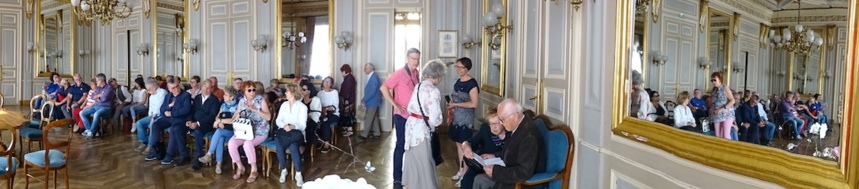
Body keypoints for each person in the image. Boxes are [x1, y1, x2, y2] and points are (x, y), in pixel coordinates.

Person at [473, 99, 545, 189]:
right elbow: (513, 151)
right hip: (510, 172)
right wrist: (494, 155)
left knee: (482, 181)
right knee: (479, 179)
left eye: (502, 119)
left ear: (514, 116)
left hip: (523, 184)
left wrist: (496, 171)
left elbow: (524, 172)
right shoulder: (517, 126)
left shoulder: (529, 136)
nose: (501, 123)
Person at [380, 48, 422, 188]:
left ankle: (409, 175)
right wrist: (395, 104)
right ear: (406, 58)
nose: (416, 61)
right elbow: (384, 88)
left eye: (417, 59)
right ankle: (397, 179)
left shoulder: (416, 73)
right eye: (413, 58)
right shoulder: (399, 73)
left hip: (414, 117)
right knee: (401, 146)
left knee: (413, 146)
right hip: (402, 117)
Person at [402, 60, 446, 189]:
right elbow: (435, 118)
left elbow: (411, 106)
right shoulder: (433, 91)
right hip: (422, 130)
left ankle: (410, 185)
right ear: (437, 76)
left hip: (411, 127)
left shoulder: (418, 86)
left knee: (412, 160)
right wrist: (440, 120)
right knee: (424, 162)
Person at [228, 81, 271, 183]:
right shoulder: (241, 101)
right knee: (231, 143)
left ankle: (254, 170)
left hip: (260, 131)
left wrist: (256, 110)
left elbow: (268, 117)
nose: (252, 92)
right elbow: (236, 115)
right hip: (245, 130)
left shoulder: (261, 100)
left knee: (248, 144)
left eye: (254, 90)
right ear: (244, 92)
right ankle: (240, 167)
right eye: (249, 90)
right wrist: (236, 117)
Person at [447, 57, 480, 180]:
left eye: (461, 67)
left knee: (465, 146)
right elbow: (455, 98)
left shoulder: (472, 83)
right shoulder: (458, 81)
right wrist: (451, 103)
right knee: (458, 145)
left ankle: (465, 175)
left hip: (466, 120)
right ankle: (461, 171)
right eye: (457, 66)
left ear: (467, 68)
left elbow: (474, 103)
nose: (458, 69)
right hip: (456, 118)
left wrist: (455, 104)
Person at [460, 107, 505, 189]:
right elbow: (471, 141)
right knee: (467, 180)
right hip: (483, 164)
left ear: (503, 122)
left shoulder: (510, 133)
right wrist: (465, 145)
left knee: (481, 181)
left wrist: (494, 155)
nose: (493, 127)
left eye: (496, 123)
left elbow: (512, 152)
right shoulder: (485, 129)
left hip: (500, 167)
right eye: (491, 123)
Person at [151, 78, 193, 166]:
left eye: (177, 86)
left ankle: (169, 155)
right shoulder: (168, 96)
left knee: (174, 129)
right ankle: (156, 150)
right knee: (155, 125)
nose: (176, 89)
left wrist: (172, 113)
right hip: (169, 119)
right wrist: (168, 107)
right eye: (173, 88)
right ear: (169, 89)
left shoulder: (185, 95)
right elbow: (162, 109)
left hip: (180, 120)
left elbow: (186, 110)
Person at [198, 86, 240, 175]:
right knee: (219, 137)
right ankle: (218, 164)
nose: (223, 96)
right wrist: (218, 121)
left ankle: (209, 154)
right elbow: (217, 115)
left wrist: (220, 121)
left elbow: (233, 120)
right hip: (223, 129)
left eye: (226, 95)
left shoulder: (237, 106)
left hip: (234, 130)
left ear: (232, 97)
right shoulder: (223, 105)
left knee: (219, 132)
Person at [274, 83, 307, 186]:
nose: (285, 93)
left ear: (293, 93)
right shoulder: (283, 105)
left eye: (287, 91)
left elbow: (303, 125)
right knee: (279, 145)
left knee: (293, 147)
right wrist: (284, 126)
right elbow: (278, 120)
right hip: (284, 132)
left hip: (296, 133)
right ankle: (284, 170)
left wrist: (292, 126)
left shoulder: (302, 107)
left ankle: (298, 173)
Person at [189, 80, 220, 170]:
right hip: (194, 122)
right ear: (201, 87)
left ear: (211, 89)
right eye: (205, 87)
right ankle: (183, 155)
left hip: (208, 125)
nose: (206, 89)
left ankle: (198, 158)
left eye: (209, 87)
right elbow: (192, 111)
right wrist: (189, 121)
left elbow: (212, 117)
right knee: (178, 128)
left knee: (198, 131)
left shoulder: (214, 100)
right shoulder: (197, 98)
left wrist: (198, 123)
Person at [134, 81, 169, 155]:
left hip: (161, 115)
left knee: (153, 124)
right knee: (139, 123)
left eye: (149, 89)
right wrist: (150, 117)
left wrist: (152, 118)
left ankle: (150, 145)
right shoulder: (152, 95)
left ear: (154, 87)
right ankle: (144, 142)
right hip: (153, 115)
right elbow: (151, 109)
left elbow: (159, 108)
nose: (148, 91)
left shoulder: (162, 92)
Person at [79, 73, 115, 138]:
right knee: (82, 113)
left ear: (101, 80)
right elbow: (92, 96)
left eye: (97, 80)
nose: (96, 82)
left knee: (96, 114)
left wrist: (97, 97)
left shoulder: (109, 88)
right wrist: (99, 95)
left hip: (106, 108)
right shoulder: (98, 88)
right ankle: (89, 130)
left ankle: (92, 132)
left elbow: (104, 99)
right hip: (96, 107)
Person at [708, 72, 736, 140]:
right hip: (716, 114)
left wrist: (722, 108)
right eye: (712, 80)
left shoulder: (725, 88)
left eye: (715, 80)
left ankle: (728, 149)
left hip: (727, 114)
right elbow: (713, 102)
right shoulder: (714, 90)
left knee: (726, 135)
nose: (713, 82)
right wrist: (711, 109)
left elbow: (732, 100)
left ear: (720, 79)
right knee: (717, 135)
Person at [317, 77, 340, 153]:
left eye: (328, 82)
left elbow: (335, 106)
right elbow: (318, 105)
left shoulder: (334, 92)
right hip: (322, 113)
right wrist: (323, 110)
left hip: (333, 114)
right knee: (316, 122)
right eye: (325, 81)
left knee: (325, 123)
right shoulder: (320, 93)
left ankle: (327, 143)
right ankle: (320, 141)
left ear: (331, 84)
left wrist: (326, 109)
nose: (326, 83)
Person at [360, 63, 382, 139]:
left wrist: (364, 99)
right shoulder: (372, 76)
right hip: (372, 101)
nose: (364, 70)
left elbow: (372, 91)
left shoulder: (373, 77)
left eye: (365, 68)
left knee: (369, 117)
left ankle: (364, 134)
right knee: (374, 117)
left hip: (372, 101)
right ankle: (377, 133)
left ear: (370, 69)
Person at [299, 81, 322, 153]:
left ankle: (303, 147)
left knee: (306, 127)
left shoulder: (316, 99)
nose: (302, 91)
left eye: (304, 90)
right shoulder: (300, 99)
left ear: (309, 91)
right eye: (302, 89)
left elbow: (317, 113)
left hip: (312, 121)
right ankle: (298, 146)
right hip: (301, 120)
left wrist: (308, 116)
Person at [339, 64, 357, 136]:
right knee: (347, 114)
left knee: (348, 115)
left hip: (348, 100)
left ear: (345, 71)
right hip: (349, 99)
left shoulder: (349, 78)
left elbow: (348, 90)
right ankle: (348, 130)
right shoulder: (349, 78)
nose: (342, 73)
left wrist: (346, 98)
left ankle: (350, 131)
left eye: (342, 71)